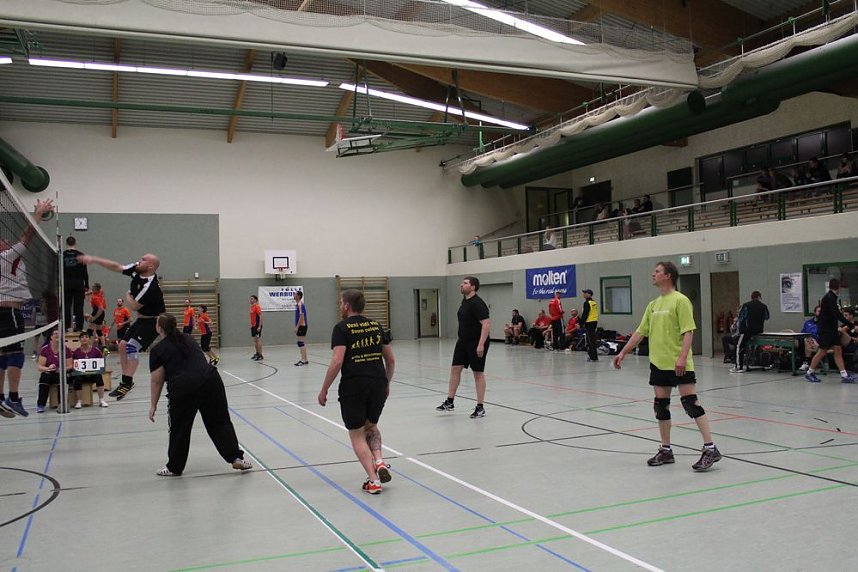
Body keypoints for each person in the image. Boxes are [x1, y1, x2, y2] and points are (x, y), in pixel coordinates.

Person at [612, 261, 722, 471]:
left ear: (668, 276)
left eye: (657, 272)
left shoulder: (681, 301)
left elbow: (688, 331)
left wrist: (682, 358)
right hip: (658, 364)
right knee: (660, 407)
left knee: (691, 403)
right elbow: (640, 332)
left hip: (679, 363)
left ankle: (710, 448)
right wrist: (623, 351)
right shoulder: (653, 305)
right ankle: (666, 450)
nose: (653, 274)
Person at [148, 313, 252, 476]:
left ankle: (174, 467)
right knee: (220, 422)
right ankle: (236, 458)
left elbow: (157, 381)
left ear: (159, 328)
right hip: (211, 381)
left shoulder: (157, 350)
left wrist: (153, 404)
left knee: (179, 429)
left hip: (184, 390)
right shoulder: (189, 338)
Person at [318, 290, 395, 494]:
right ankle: (379, 461)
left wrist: (324, 388)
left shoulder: (342, 328)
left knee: (357, 434)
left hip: (354, 386)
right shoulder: (377, 326)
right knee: (372, 426)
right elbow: (391, 359)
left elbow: (337, 361)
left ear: (346, 306)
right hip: (377, 383)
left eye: (341, 302)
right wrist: (386, 383)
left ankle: (373, 480)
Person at [76, 252, 165, 400]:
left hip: (154, 322)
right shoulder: (137, 270)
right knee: (122, 345)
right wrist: (94, 259)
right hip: (142, 320)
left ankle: (126, 382)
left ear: (150, 266)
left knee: (131, 347)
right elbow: (117, 267)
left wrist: (127, 296)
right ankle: (127, 379)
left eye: (143, 260)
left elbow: (135, 305)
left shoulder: (151, 287)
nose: (139, 261)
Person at [0, 198, 54, 418]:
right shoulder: (6, 256)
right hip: (9, 312)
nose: (6, 241)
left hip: (4, 310)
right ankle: (13, 397)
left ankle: (1, 398)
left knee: (2, 355)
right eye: (3, 240)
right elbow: (27, 236)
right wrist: (38, 213)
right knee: (15, 355)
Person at [436, 276, 490, 419]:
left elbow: (486, 324)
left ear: (473, 287)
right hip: (463, 342)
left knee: (477, 373)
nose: (462, 285)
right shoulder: (465, 301)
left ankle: (480, 407)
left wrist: (480, 344)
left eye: (465, 283)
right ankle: (450, 401)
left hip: (476, 342)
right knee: (455, 369)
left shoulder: (477, 303)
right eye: (462, 283)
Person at [804, 278, 856, 383]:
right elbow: (837, 314)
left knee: (838, 350)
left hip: (832, 330)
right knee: (822, 351)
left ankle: (844, 375)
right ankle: (809, 372)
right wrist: (850, 325)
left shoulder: (832, 297)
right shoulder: (829, 298)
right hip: (826, 331)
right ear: (839, 287)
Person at [34, 328, 73, 413]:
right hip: (49, 373)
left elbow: (70, 365)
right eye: (55, 334)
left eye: (59, 334)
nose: (57, 335)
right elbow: (40, 367)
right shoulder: (45, 349)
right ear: (51, 337)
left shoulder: (65, 349)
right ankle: (41, 405)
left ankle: (61, 404)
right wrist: (48, 368)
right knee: (44, 378)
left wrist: (62, 369)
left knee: (62, 379)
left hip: (61, 373)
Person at [730, 291, 769, 373]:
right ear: (759, 297)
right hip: (759, 331)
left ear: (751, 297)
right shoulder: (763, 306)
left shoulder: (747, 305)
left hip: (747, 331)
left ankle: (739, 367)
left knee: (739, 346)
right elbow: (767, 317)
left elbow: (741, 317)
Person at [71, 331, 108, 408]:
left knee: (99, 376)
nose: (84, 339)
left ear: (90, 339)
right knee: (76, 378)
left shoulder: (96, 350)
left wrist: (104, 358)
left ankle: (101, 400)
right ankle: (79, 401)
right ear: (79, 339)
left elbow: (100, 363)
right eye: (82, 337)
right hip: (81, 375)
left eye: (86, 337)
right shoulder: (76, 352)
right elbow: (74, 364)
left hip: (93, 374)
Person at [62, 235, 89, 332]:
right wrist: (87, 285)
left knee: (66, 305)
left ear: (66, 243)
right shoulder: (81, 255)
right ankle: (79, 327)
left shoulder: (62, 255)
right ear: (75, 243)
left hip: (66, 282)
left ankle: (65, 327)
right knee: (79, 306)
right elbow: (85, 271)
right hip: (78, 282)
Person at [86, 282, 109, 355]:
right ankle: (104, 347)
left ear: (97, 289)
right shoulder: (100, 292)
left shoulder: (96, 298)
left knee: (90, 330)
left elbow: (101, 309)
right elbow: (93, 291)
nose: (92, 289)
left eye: (93, 288)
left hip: (97, 312)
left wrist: (94, 318)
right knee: (99, 331)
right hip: (102, 314)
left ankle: (90, 347)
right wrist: (87, 293)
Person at [798, 305, 821, 371]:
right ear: (815, 312)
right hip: (804, 339)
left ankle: (806, 362)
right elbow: (802, 332)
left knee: (808, 339)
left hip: (817, 342)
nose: (820, 313)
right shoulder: (808, 322)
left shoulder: (824, 323)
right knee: (793, 339)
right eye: (819, 311)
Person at [581, 288, 600, 361]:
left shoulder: (587, 303)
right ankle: (593, 356)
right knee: (592, 339)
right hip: (594, 321)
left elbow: (585, 314)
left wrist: (580, 323)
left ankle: (593, 357)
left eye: (585, 293)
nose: (584, 294)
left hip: (589, 322)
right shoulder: (594, 302)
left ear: (589, 294)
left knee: (590, 340)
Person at [293, 290, 309, 366]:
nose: (294, 295)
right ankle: (305, 359)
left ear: (298, 296)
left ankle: (303, 360)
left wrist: (297, 327)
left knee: (300, 342)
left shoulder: (300, 304)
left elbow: (301, 316)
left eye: (295, 294)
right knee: (301, 342)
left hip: (302, 326)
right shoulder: (298, 304)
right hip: (301, 326)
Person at [249, 294, 263, 361]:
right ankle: (257, 353)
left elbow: (260, 316)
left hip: (257, 325)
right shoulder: (251, 307)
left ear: (255, 300)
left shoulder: (257, 307)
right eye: (250, 299)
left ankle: (260, 354)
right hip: (253, 326)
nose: (250, 300)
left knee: (258, 340)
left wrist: (259, 326)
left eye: (252, 299)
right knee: (255, 341)